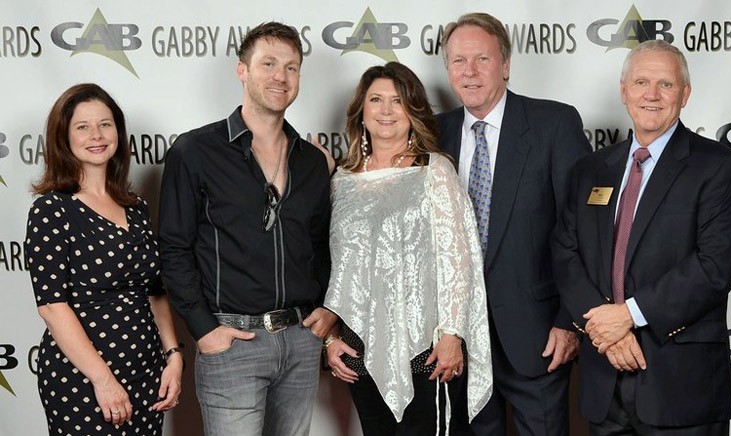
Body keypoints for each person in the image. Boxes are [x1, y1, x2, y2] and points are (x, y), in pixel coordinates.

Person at [551, 40, 731, 435]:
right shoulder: (590, 170)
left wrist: (628, 316)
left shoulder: (718, 167)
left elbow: (714, 267)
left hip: (680, 388)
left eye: (665, 84)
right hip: (603, 383)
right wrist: (605, 330)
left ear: (685, 94)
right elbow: (565, 253)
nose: (651, 95)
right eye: (641, 82)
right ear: (624, 92)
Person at [158, 22, 335, 436]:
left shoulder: (312, 161)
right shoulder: (195, 151)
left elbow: (324, 247)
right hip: (232, 342)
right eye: (268, 64)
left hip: (300, 340)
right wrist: (204, 330)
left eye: (291, 68)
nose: (280, 77)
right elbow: (174, 248)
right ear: (242, 70)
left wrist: (327, 311)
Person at [437, 12, 592, 436]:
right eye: (458, 61)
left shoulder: (553, 125)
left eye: (482, 60)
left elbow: (583, 228)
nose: (469, 72)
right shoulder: (435, 134)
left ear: (505, 65)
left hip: (538, 335)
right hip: (460, 343)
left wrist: (569, 319)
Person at [322, 61, 492, 435]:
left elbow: (457, 261)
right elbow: (331, 267)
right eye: (376, 100)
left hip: (424, 349)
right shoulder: (342, 180)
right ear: (361, 112)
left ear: (412, 111)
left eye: (397, 101)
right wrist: (331, 339)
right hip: (357, 348)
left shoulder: (434, 171)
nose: (386, 111)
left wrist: (452, 334)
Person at [24, 83, 183, 435]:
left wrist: (173, 356)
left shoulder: (136, 208)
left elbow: (155, 292)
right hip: (83, 379)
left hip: (145, 371)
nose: (96, 135)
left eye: (105, 124)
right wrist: (104, 380)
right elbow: (52, 306)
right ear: (63, 137)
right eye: (82, 127)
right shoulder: (52, 209)